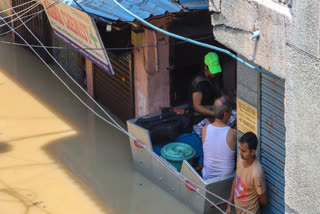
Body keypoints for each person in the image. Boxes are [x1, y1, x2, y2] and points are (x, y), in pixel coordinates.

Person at [226, 132, 267, 214]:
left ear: (252, 152)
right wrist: (229, 204)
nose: (240, 153)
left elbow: (263, 200)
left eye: (243, 151)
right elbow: (235, 181)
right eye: (240, 149)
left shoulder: (256, 173)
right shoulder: (240, 159)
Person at [201, 96, 237, 180]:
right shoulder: (233, 133)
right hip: (226, 179)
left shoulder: (204, 129)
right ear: (226, 115)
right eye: (231, 113)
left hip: (207, 177)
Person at [191, 52, 222, 124]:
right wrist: (213, 113)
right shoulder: (199, 82)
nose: (214, 73)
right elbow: (197, 106)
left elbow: (219, 91)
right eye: (212, 70)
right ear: (205, 67)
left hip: (214, 109)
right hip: (200, 117)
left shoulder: (214, 77)